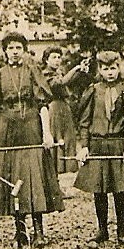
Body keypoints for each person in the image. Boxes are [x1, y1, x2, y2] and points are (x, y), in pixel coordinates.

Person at [0, 31, 64, 248]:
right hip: (7, 129)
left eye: (19, 47)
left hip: (30, 126)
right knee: (12, 174)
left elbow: (42, 104)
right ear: (5, 51)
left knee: (33, 175)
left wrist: (46, 133)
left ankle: (38, 230)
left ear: (24, 50)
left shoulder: (32, 71)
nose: (15, 52)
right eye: (11, 48)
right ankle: (20, 230)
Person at [74, 50, 124, 246]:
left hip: (117, 144)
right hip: (97, 144)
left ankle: (121, 230)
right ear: (100, 70)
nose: (110, 73)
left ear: (119, 68)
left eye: (113, 68)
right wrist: (84, 146)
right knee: (99, 189)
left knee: (119, 189)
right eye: (106, 69)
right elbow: (84, 121)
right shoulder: (93, 91)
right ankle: (102, 229)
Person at [43, 45, 79, 174]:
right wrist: (75, 69)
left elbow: (66, 83)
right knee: (57, 137)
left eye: (59, 57)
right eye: (53, 57)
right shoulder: (46, 74)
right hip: (54, 107)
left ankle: (66, 167)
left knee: (68, 137)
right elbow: (61, 83)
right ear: (46, 60)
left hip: (63, 106)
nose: (57, 60)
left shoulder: (58, 72)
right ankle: (56, 169)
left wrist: (78, 72)